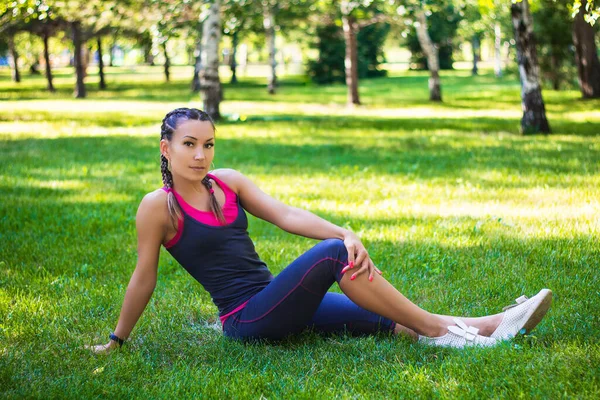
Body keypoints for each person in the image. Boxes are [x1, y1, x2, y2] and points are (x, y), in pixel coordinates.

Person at [87, 107, 552, 353]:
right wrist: (117, 339)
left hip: (275, 299)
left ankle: (493, 326)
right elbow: (143, 277)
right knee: (333, 255)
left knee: (390, 322)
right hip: (246, 320)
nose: (200, 155)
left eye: (208, 144)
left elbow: (286, 216)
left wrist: (345, 228)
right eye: (189, 145)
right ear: (166, 148)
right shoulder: (158, 208)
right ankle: (441, 331)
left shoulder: (227, 183)